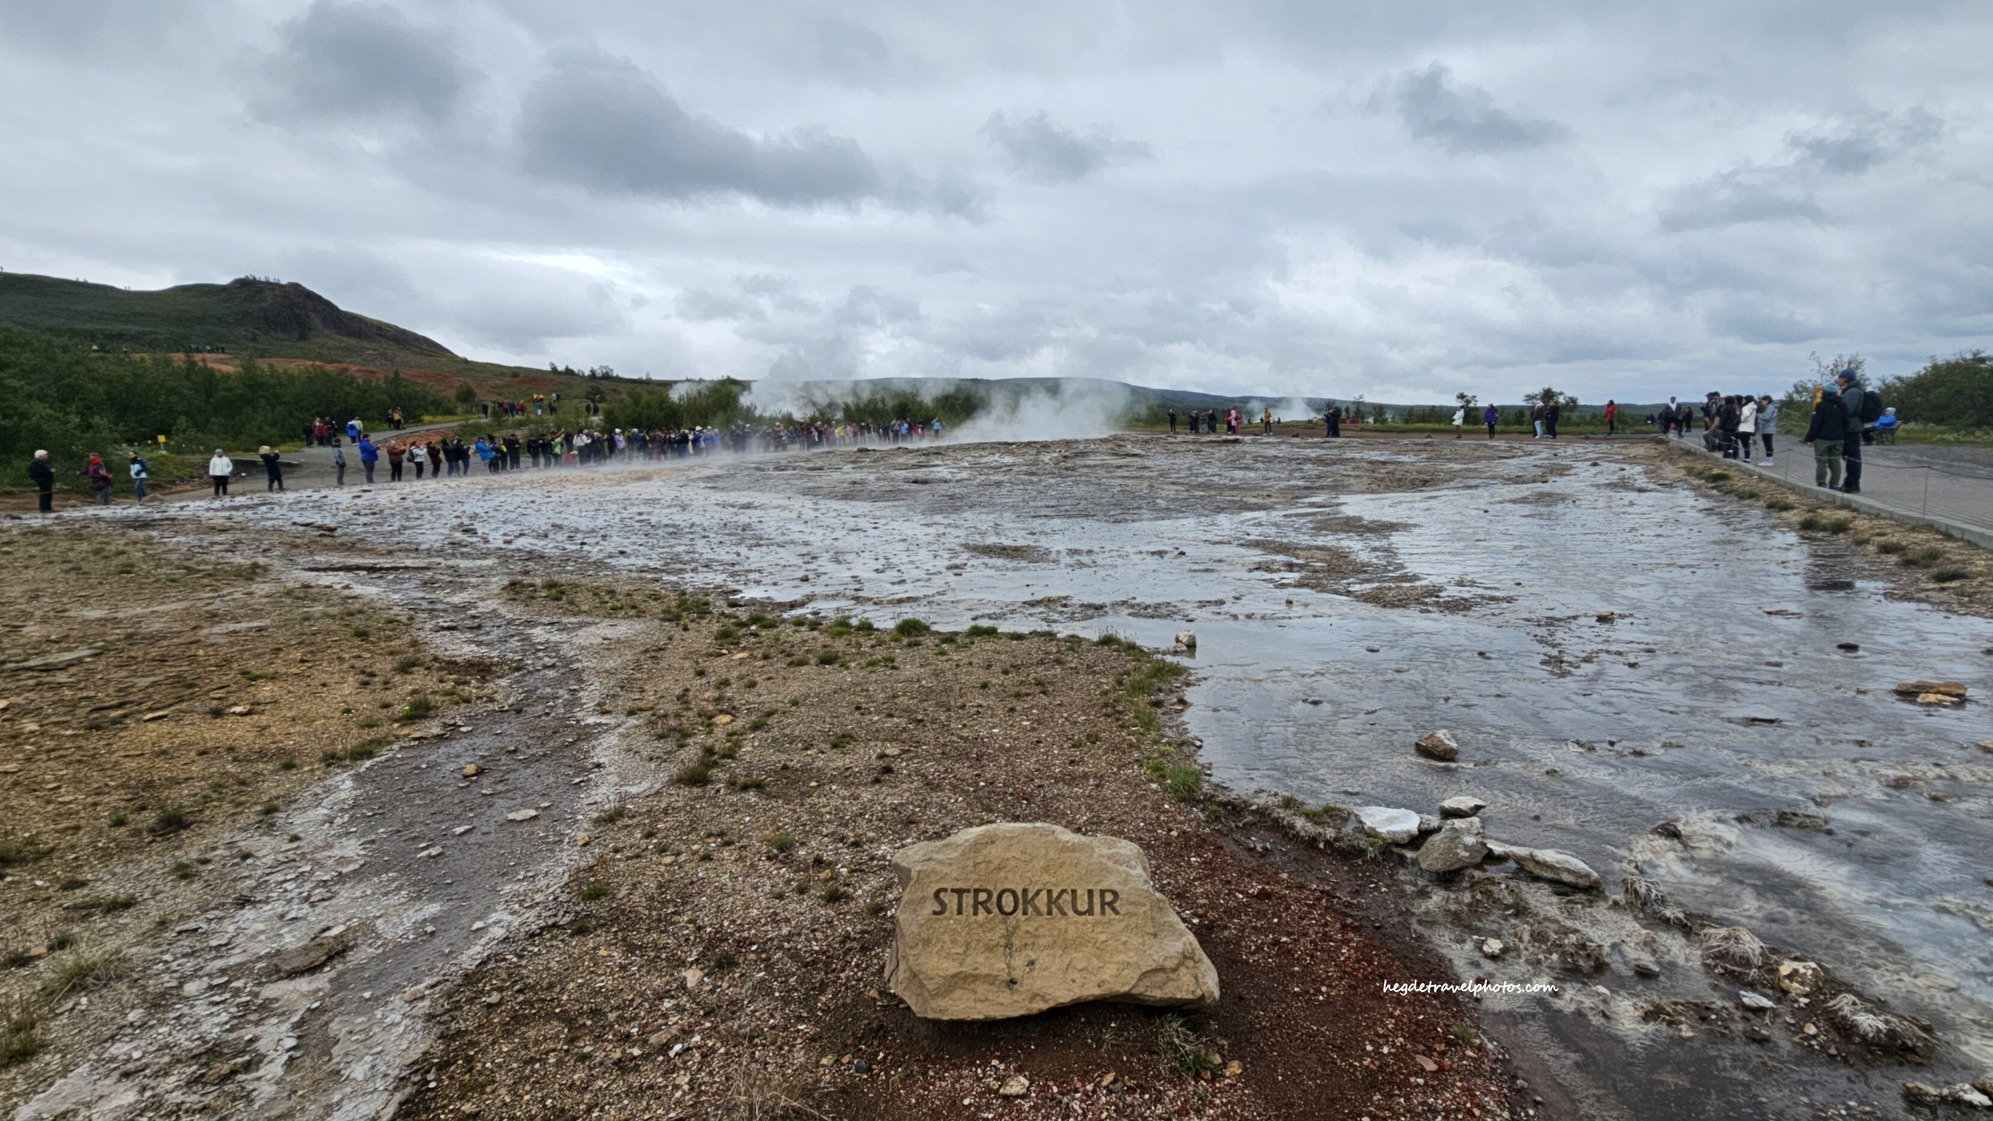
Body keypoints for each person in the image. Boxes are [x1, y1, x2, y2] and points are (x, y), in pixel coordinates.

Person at [1803, 387, 1846, 490]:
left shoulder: (1821, 405)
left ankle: (1821, 483)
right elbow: (1846, 422)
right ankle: (1834, 484)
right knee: (1835, 461)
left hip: (1822, 438)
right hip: (1838, 437)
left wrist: (1809, 438)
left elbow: (1815, 424)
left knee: (1822, 461)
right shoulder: (1842, 405)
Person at [1836, 368, 1866, 494]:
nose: (1838, 380)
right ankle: (1852, 482)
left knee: (1851, 456)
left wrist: (1839, 401)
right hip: (1851, 426)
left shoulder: (1852, 392)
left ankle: (1851, 483)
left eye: (1840, 377)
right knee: (1850, 455)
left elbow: (1847, 410)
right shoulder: (1852, 390)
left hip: (1851, 427)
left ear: (1845, 378)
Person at [1756, 395, 1778, 465]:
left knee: (1768, 444)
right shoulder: (1771, 407)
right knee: (1767, 444)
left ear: (1767, 401)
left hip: (1768, 428)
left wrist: (1759, 415)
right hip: (1768, 427)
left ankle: (1769, 460)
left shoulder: (1770, 408)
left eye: (1763, 401)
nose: (1762, 403)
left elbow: (1767, 417)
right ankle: (1768, 459)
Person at [1737, 395, 1758, 463]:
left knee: (1735, 438)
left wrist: (1741, 419)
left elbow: (1746, 414)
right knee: (1747, 445)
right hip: (1750, 428)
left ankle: (1746, 458)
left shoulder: (1745, 408)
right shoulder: (1753, 408)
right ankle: (1747, 458)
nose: (1743, 401)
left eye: (1744, 400)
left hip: (1744, 428)